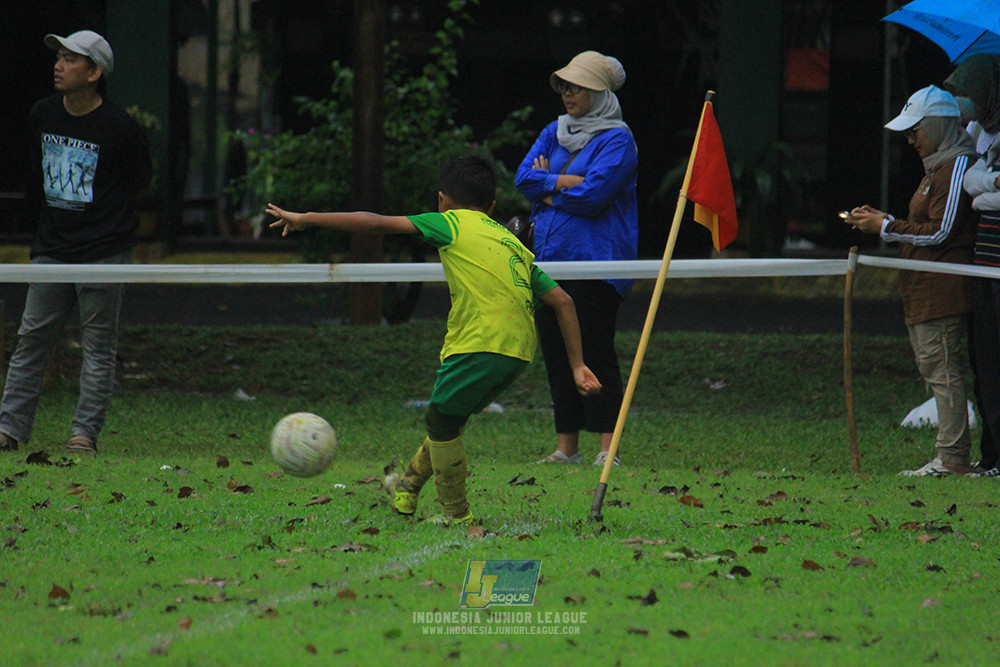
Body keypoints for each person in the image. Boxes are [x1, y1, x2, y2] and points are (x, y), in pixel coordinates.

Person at [266, 155, 602, 526]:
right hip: (517, 352)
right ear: (491, 207)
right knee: (450, 421)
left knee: (439, 420)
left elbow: (375, 223)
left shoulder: (450, 223)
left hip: (479, 343)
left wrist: (306, 219)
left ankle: (457, 517)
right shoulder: (511, 242)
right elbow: (563, 301)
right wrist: (577, 365)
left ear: (442, 200)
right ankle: (406, 489)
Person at [0, 31, 152, 455]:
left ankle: (83, 434)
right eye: (59, 57)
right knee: (31, 338)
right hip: (52, 248)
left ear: (94, 73)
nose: (58, 65)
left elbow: (140, 179)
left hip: (104, 250)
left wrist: (105, 222)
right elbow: (35, 179)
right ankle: (8, 429)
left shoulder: (119, 125)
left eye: (71, 59)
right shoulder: (42, 115)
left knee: (98, 346)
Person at [845, 85, 979, 476]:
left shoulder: (957, 166)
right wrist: (883, 220)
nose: (910, 141)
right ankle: (948, 454)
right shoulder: (937, 168)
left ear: (936, 126)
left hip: (943, 291)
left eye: (914, 132)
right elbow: (924, 226)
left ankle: (953, 458)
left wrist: (885, 226)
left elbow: (942, 232)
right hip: (922, 289)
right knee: (935, 370)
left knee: (945, 372)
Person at [514, 50, 638, 467]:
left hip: (596, 262)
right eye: (565, 86)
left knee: (596, 351)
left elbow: (594, 197)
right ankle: (566, 447)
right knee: (555, 350)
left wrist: (547, 191)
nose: (568, 93)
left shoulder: (618, 140)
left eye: (578, 87)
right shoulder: (555, 130)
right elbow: (522, 178)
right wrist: (560, 181)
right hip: (548, 259)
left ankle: (607, 447)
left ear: (600, 94)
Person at [944, 54, 1000, 476]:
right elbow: (969, 183)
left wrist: (987, 186)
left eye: (967, 91)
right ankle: (993, 453)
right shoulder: (985, 133)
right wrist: (992, 183)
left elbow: (983, 189)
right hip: (982, 261)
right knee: (984, 357)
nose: (962, 101)